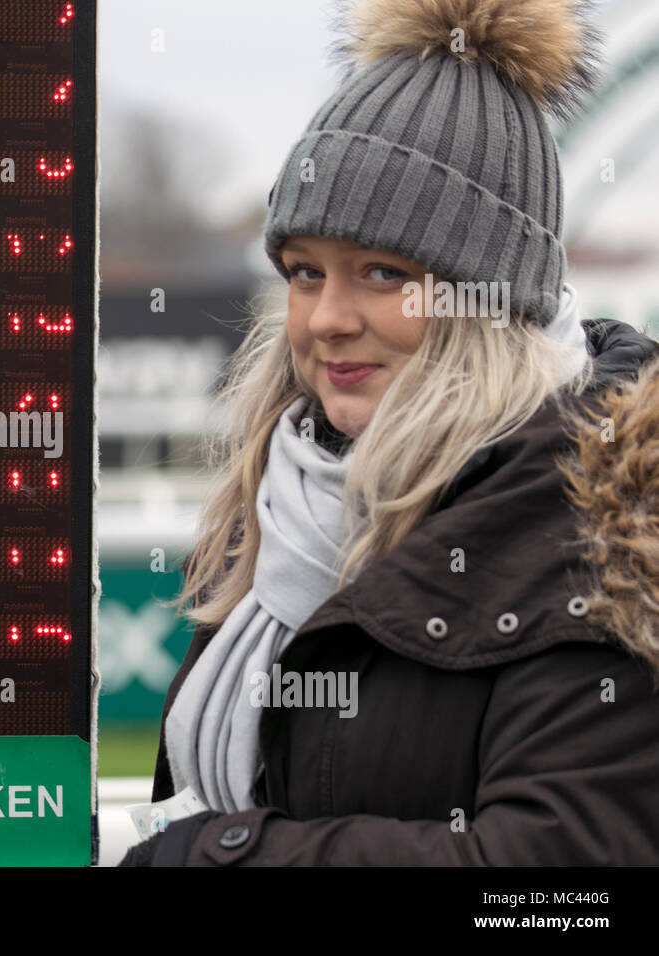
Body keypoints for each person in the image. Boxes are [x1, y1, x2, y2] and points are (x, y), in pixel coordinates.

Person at [120, 0, 659, 866]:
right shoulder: (279, 501)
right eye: (304, 271)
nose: (328, 318)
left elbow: (562, 890)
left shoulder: (607, 529)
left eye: (382, 273)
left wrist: (213, 856)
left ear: (491, 300)